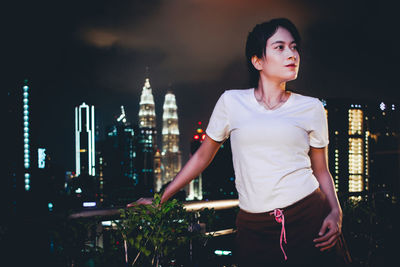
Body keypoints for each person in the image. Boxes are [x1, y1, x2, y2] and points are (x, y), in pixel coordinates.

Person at [128, 18, 351, 266]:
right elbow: (202, 156)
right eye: (280, 47)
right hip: (253, 227)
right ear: (257, 61)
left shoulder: (311, 107)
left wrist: (336, 212)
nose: (292, 54)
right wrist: (161, 199)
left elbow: (321, 170)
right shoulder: (231, 102)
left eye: (294, 46)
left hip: (309, 217)